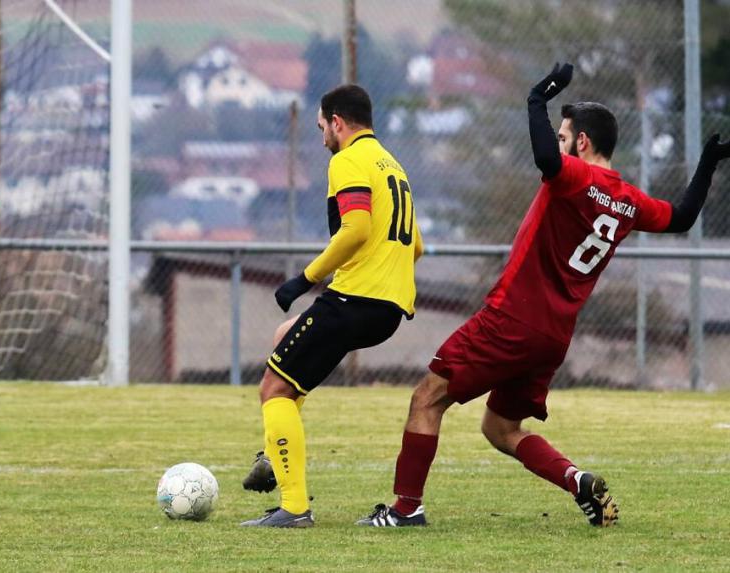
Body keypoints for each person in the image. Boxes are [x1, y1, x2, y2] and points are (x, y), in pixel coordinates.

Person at [358, 63, 730, 528]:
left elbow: (548, 162)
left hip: (512, 319)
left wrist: (536, 99)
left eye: (563, 135)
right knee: (501, 428)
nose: (559, 143)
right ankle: (577, 480)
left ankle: (405, 508)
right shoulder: (630, 201)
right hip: (553, 336)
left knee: (427, 398)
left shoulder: (576, 178)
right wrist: (708, 164)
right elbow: (682, 218)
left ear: (583, 144)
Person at [239, 85, 424, 527]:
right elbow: (416, 245)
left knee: (273, 388)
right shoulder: (391, 164)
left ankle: (295, 507)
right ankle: (272, 455)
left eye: (322, 127)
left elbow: (356, 228)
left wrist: (304, 279)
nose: (322, 136)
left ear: (337, 122)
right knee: (285, 340)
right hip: (387, 307)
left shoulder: (348, 160)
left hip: (355, 299)